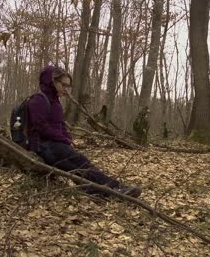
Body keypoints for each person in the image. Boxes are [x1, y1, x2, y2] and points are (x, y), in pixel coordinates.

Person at [28, 65, 142, 198]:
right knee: (81, 163)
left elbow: (60, 124)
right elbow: (42, 128)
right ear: (51, 81)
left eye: (68, 86)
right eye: (63, 85)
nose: (66, 90)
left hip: (57, 146)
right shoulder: (38, 100)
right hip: (44, 147)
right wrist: (64, 139)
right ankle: (114, 188)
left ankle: (103, 191)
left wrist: (68, 138)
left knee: (78, 167)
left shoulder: (56, 102)